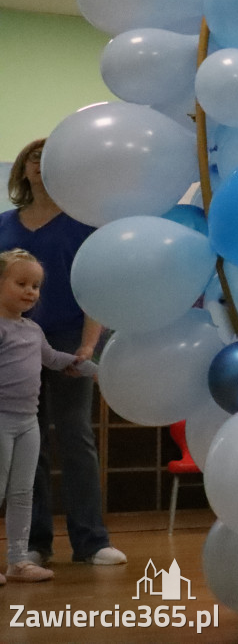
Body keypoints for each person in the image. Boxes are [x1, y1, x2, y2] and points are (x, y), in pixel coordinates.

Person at [0, 139, 126, 566]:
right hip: (15, 345)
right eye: (34, 157)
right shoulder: (3, 225)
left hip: (72, 339)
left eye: (52, 156)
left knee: (76, 436)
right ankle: (35, 545)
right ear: (23, 170)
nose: (41, 163)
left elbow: (97, 290)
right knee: (27, 445)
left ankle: (91, 541)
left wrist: (88, 346)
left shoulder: (83, 224)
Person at [0, 249, 98, 584]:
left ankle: (17, 561)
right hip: (1, 420)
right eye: (22, 283)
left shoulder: (32, 330)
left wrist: (91, 367)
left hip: (28, 423)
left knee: (22, 492)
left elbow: (54, 359)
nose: (31, 291)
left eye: (36, 285)